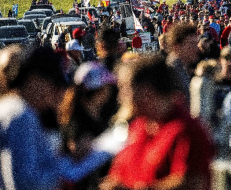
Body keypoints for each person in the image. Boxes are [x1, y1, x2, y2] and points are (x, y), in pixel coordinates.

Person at [0, 47, 116, 190]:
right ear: (34, 80)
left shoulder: (9, 107)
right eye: (53, 84)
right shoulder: (21, 115)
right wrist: (67, 170)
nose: (55, 93)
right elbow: (26, 182)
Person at [100, 56, 214, 190]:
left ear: (146, 92)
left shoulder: (186, 130)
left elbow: (192, 183)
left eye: (124, 89)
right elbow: (119, 173)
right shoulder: (138, 126)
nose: (120, 98)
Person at [59, 62, 119, 189]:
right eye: (106, 87)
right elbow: (76, 152)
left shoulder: (98, 116)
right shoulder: (75, 121)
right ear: (98, 91)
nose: (109, 91)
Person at [166, 25, 200, 105]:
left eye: (196, 44)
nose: (197, 49)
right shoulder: (170, 73)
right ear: (177, 47)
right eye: (191, 44)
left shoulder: (182, 69)